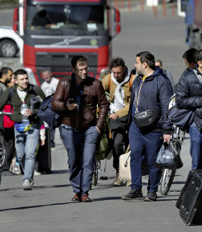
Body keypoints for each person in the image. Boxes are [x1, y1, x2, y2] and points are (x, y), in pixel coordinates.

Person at [52, 56, 109, 202]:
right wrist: (66, 106)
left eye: (86, 69)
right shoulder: (65, 83)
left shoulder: (95, 84)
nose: (84, 72)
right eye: (81, 69)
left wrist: (99, 126)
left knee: (88, 160)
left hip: (90, 128)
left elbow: (103, 104)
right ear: (74, 70)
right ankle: (76, 190)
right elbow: (55, 103)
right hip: (68, 128)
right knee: (74, 160)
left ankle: (84, 192)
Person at [121, 51, 173, 202]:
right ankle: (135, 188)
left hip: (154, 128)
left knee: (153, 160)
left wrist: (166, 129)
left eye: (137, 62)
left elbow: (166, 107)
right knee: (135, 155)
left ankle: (152, 191)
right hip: (136, 126)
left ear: (144, 64)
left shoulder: (162, 81)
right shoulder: (137, 80)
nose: (134, 65)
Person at [0, 69, 46, 190]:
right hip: (18, 126)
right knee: (21, 155)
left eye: (26, 78)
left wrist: (33, 111)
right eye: (22, 79)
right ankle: (29, 173)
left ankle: (27, 179)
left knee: (30, 153)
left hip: (33, 125)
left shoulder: (35, 89)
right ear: (16, 81)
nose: (25, 81)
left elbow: (46, 105)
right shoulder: (10, 92)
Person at [101, 58, 134, 186]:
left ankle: (130, 174)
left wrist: (118, 113)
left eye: (118, 73)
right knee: (117, 145)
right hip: (115, 118)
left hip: (129, 116)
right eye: (114, 72)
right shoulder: (109, 79)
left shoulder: (132, 80)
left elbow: (132, 104)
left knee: (131, 147)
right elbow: (98, 90)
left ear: (124, 70)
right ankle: (119, 173)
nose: (116, 75)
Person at [0, 67, 16, 175]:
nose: (11, 77)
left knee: (8, 143)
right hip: (1, 118)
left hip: (6, 117)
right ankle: (4, 168)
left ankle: (4, 167)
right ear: (4, 75)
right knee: (6, 143)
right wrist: (6, 104)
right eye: (10, 75)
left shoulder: (4, 86)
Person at [40, 69, 59, 148]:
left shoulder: (57, 82)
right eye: (44, 75)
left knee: (61, 125)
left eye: (47, 74)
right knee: (51, 125)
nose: (46, 77)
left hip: (58, 106)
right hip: (49, 108)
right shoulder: (43, 85)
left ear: (51, 74)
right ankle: (51, 142)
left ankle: (67, 141)